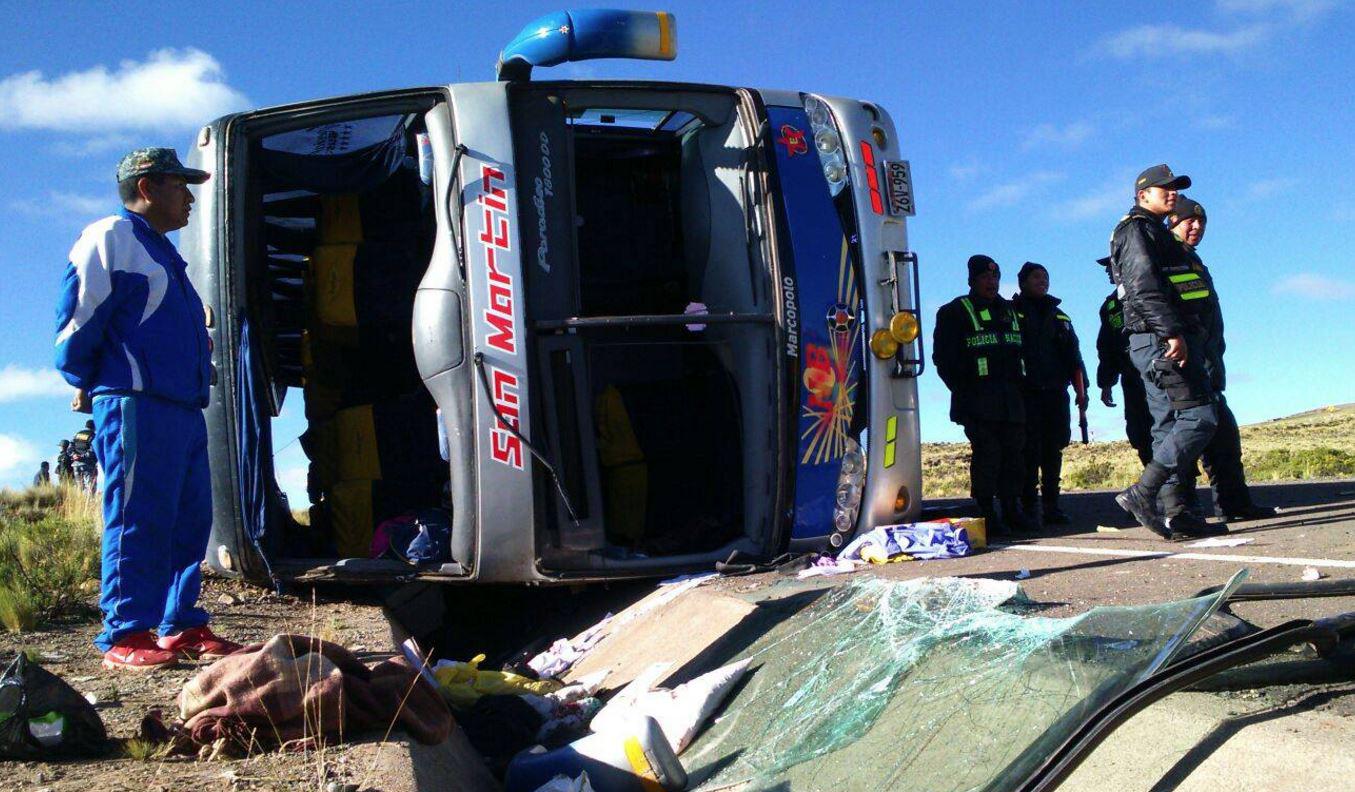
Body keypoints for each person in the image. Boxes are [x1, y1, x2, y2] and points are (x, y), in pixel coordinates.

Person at [54, 147, 241, 670]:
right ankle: (125, 632)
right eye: (180, 186)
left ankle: (179, 624)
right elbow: (77, 318)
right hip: (135, 403)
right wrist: (88, 379)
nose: (189, 198)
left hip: (182, 406)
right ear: (147, 187)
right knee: (137, 515)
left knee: (189, 519)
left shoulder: (163, 252)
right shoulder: (111, 236)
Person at [1108, 164, 1217, 540]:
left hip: (1154, 338)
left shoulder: (1152, 230)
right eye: (1164, 188)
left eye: (1175, 188)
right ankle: (1143, 493)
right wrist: (1171, 332)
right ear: (1143, 195)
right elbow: (1143, 287)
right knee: (1200, 418)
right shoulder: (1137, 230)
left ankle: (1179, 513)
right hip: (1158, 338)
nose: (1172, 193)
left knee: (1169, 425)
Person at [1168, 196, 1277, 521]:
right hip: (1187, 368)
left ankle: (1234, 504)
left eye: (1202, 222)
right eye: (1190, 221)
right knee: (1186, 444)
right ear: (1173, 222)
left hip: (1209, 366)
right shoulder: (1169, 258)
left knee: (1225, 440)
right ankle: (1182, 510)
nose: (1197, 227)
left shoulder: (1194, 262)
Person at [933, 255, 1038, 535]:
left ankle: (1012, 509)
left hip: (1012, 401)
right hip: (977, 402)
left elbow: (1026, 352)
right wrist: (964, 391)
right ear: (972, 280)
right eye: (985, 277)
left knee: (1014, 456)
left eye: (995, 277)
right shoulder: (954, 312)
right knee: (988, 456)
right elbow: (943, 359)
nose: (991, 282)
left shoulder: (1010, 311)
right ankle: (986, 512)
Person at [1011, 262, 1088, 525]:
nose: (1042, 281)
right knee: (1029, 451)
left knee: (1053, 450)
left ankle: (1052, 505)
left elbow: (1074, 356)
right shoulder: (1011, 313)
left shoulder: (1060, 316)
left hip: (1055, 393)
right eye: (1036, 277)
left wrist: (1083, 390)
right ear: (1022, 282)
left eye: (1045, 276)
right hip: (1026, 394)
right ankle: (1029, 507)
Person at [1095, 257, 1154, 466]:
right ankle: (1154, 477)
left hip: (1157, 371)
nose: (1107, 272)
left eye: (1110, 267)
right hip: (1131, 377)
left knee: (1167, 424)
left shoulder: (1149, 289)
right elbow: (1107, 347)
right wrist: (1106, 383)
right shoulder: (1109, 306)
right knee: (1139, 429)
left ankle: (1184, 480)